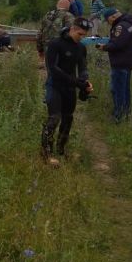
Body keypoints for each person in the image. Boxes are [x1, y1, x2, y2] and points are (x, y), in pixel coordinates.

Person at [41, 17, 93, 165]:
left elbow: (82, 67)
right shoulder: (55, 44)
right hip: (55, 85)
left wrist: (85, 81)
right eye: (79, 34)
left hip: (70, 87)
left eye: (84, 35)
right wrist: (77, 82)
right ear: (72, 29)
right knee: (54, 118)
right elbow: (53, 69)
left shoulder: (81, 47)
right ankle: (46, 153)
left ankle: (61, 149)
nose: (81, 38)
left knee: (68, 118)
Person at [95, 7, 132, 122]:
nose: (108, 23)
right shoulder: (130, 24)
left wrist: (103, 47)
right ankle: (126, 113)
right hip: (128, 62)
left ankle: (118, 116)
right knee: (125, 90)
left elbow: (117, 45)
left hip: (120, 63)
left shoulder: (120, 26)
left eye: (108, 20)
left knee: (117, 90)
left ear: (112, 17)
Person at [36, 0, 75, 64]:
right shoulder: (69, 16)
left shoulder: (47, 15)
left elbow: (40, 33)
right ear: (68, 7)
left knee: (50, 70)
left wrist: (40, 49)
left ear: (57, 5)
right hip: (62, 49)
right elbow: (71, 35)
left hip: (47, 47)